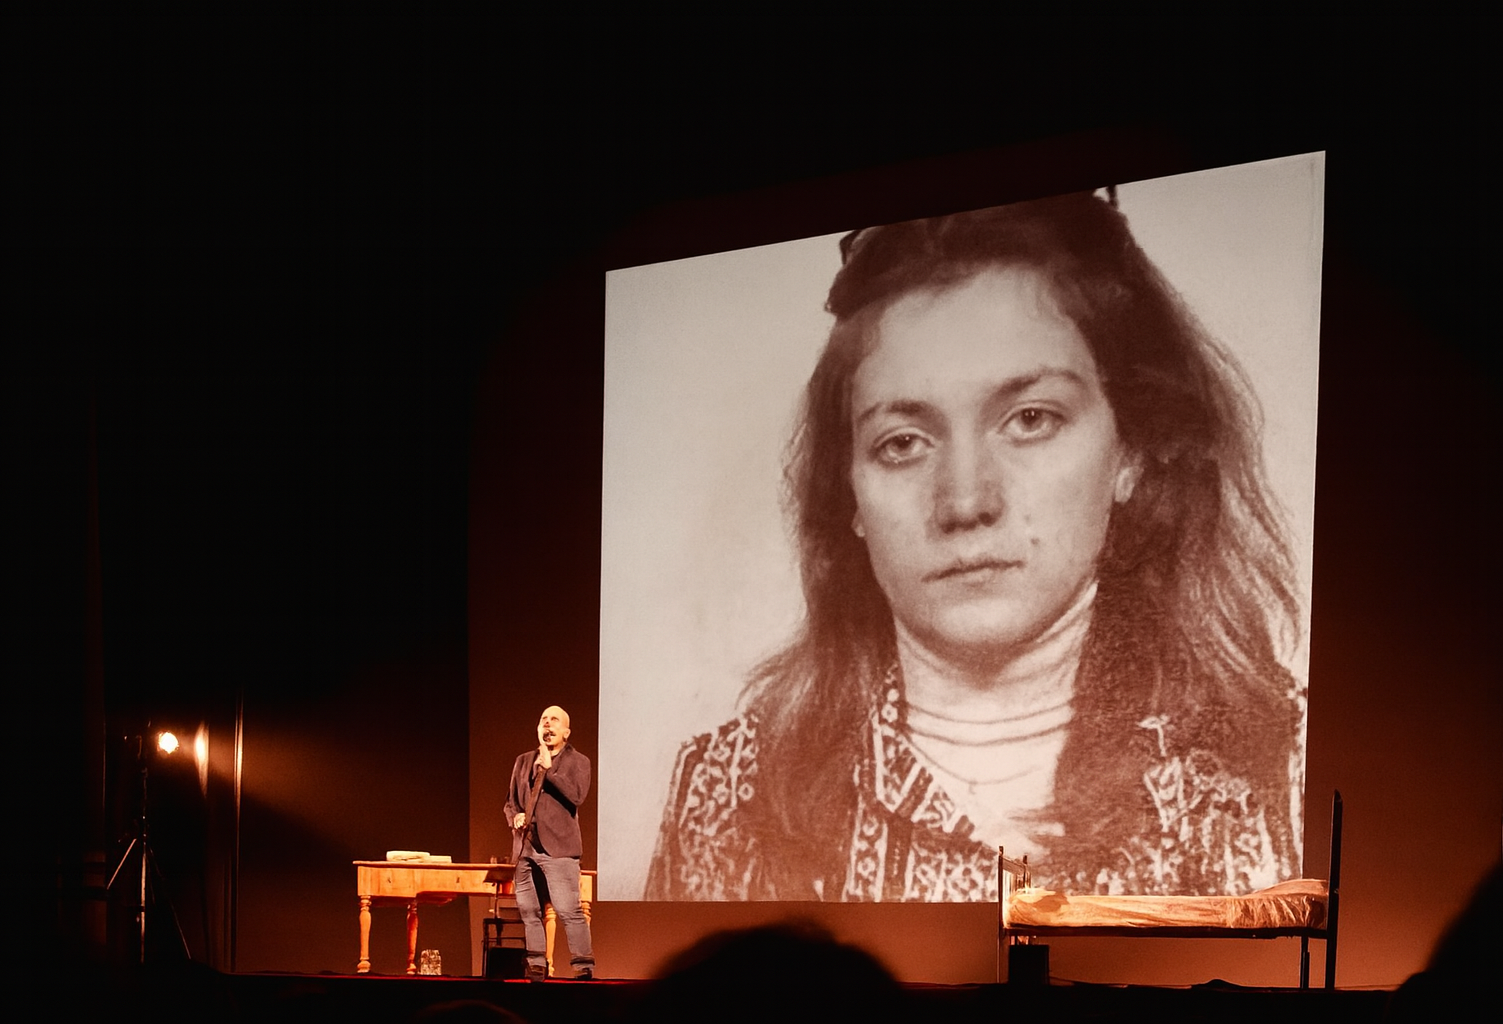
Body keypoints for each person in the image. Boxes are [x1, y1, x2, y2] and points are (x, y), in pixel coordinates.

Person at [646, 189, 1305, 902]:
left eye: (1030, 418)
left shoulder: (1285, 768)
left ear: (1131, 454)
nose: (965, 502)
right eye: (903, 443)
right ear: (849, 497)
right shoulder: (728, 791)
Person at [504, 705, 594, 978]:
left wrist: (550, 768)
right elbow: (509, 803)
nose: (548, 724)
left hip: (559, 848)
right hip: (525, 847)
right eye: (544, 719)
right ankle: (537, 965)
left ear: (566, 732)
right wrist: (515, 817)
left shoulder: (579, 761)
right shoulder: (522, 761)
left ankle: (582, 967)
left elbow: (577, 795)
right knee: (529, 911)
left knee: (569, 910)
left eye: (554, 720)